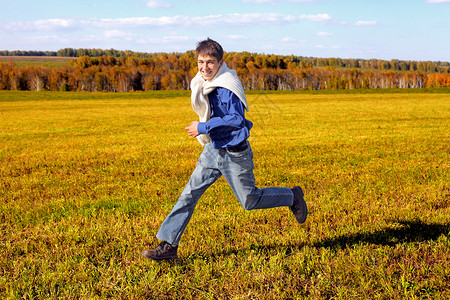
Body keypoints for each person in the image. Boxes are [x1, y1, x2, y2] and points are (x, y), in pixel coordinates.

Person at [142, 38, 307, 261]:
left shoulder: (228, 85)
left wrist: (203, 126)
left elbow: (237, 119)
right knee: (188, 196)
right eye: (201, 62)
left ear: (221, 63)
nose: (204, 67)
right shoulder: (202, 82)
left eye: (210, 62)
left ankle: (291, 195)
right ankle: (169, 246)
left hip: (235, 154)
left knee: (250, 201)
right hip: (213, 150)